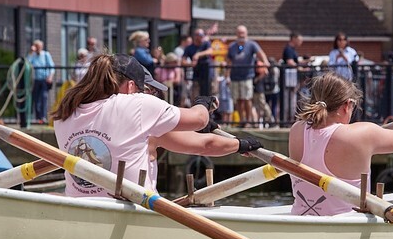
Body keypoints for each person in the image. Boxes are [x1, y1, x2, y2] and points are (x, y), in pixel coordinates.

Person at [51, 54, 261, 196]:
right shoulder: (137, 105)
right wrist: (204, 104)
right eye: (143, 89)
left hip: (81, 207)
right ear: (131, 85)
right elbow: (200, 124)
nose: (146, 93)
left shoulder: (65, 112)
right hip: (133, 209)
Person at [288, 71, 393, 216]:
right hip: (346, 225)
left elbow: (375, 134)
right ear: (347, 105)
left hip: (300, 218)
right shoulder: (361, 135)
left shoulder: (297, 128)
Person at [226, 25, 268, 126]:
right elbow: (228, 62)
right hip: (235, 77)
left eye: (243, 33)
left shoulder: (252, 44)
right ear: (236, 34)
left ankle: (248, 121)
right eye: (239, 33)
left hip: (247, 76)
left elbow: (260, 53)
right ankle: (242, 120)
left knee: (247, 99)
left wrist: (265, 62)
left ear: (246, 33)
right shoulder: (232, 46)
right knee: (239, 100)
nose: (241, 35)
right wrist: (227, 76)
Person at [182, 29, 215, 100]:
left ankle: (209, 110)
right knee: (196, 95)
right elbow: (183, 61)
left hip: (207, 74)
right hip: (197, 74)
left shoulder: (206, 44)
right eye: (199, 35)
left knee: (208, 94)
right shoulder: (189, 48)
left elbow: (210, 51)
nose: (201, 37)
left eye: (202, 35)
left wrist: (198, 54)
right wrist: (191, 64)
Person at [26, 40, 54, 123]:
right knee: (36, 99)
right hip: (36, 80)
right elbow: (27, 63)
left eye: (38, 47)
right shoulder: (33, 55)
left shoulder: (46, 55)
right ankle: (38, 118)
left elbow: (51, 66)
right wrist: (31, 52)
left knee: (43, 97)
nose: (37, 48)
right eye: (36, 46)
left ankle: (43, 117)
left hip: (45, 80)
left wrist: (50, 77)